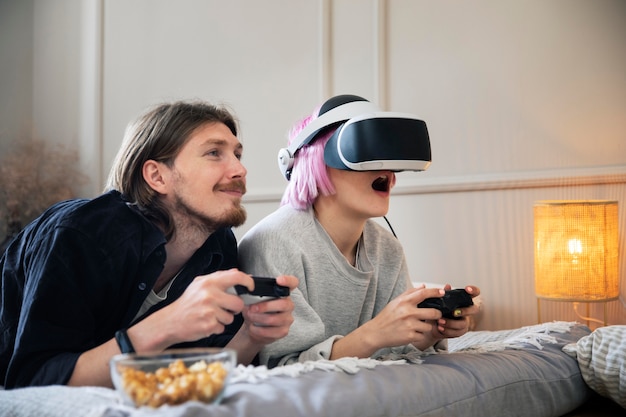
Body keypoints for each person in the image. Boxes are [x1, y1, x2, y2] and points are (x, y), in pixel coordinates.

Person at [0, 100, 298, 388]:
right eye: (213, 153)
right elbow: (32, 381)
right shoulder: (79, 235)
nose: (239, 170)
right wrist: (166, 325)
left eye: (237, 155)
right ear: (157, 176)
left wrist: (251, 335)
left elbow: (199, 374)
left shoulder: (218, 244)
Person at [238, 94, 481, 367]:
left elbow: (391, 355)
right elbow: (283, 370)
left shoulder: (387, 249)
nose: (387, 172)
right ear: (315, 161)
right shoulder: (272, 243)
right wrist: (375, 334)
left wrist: (431, 330)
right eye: (368, 154)